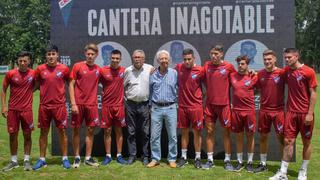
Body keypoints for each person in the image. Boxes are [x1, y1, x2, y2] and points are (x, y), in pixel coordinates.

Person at [269, 48, 317, 180]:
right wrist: (252, 72)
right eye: (285, 57)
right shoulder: (287, 72)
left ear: (297, 56)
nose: (287, 59)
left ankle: (303, 170)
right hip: (290, 113)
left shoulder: (309, 71)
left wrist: (310, 113)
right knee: (288, 141)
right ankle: (283, 173)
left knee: (306, 142)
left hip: (305, 114)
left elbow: (313, 93)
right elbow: (272, 71)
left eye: (289, 57)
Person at [32, 45, 71, 170]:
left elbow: (70, 82)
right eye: (48, 54)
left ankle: (64, 158)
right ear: (46, 56)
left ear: (57, 55)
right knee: (43, 132)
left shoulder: (64, 69)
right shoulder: (39, 69)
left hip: (59, 106)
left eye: (53, 54)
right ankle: (42, 159)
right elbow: (36, 85)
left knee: (62, 131)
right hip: (44, 106)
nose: (51, 56)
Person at [202, 45, 235, 170]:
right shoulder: (206, 65)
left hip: (224, 105)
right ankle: (210, 160)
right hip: (210, 105)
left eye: (216, 54)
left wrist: (252, 73)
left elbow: (238, 79)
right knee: (209, 132)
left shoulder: (229, 67)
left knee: (226, 133)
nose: (213, 56)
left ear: (222, 54)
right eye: (212, 53)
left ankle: (227, 160)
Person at [1, 51, 35, 171]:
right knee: (13, 136)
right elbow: (4, 89)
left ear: (29, 61)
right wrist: (4, 106)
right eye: (20, 61)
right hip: (13, 110)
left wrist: (30, 91)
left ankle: (26, 160)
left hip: (27, 110)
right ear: (17, 61)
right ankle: (14, 161)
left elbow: (39, 85)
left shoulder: (34, 74)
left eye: (25, 61)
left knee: (27, 136)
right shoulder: (10, 73)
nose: (22, 63)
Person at [69, 43, 100, 168]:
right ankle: (77, 157)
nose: (90, 56)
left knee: (90, 130)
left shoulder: (99, 69)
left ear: (96, 55)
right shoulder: (77, 66)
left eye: (93, 54)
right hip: (78, 104)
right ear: (85, 54)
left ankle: (88, 158)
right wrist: (73, 103)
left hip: (92, 105)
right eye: (88, 54)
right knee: (76, 130)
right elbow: (71, 85)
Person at [254, 49, 285, 173]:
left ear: (275, 59)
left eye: (269, 59)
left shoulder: (282, 73)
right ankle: (263, 164)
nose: (267, 61)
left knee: (281, 138)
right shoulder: (260, 74)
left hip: (278, 111)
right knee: (263, 137)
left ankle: (284, 166)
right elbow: (254, 89)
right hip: (264, 111)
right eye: (265, 59)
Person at [147, 50, 178, 168]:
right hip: (156, 108)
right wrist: (151, 106)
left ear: (169, 60)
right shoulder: (152, 74)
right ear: (158, 61)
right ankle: (155, 159)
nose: (164, 61)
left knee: (173, 136)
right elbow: (149, 91)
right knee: (154, 136)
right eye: (162, 59)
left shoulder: (174, 73)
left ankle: (172, 159)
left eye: (166, 59)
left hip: (171, 107)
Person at [175, 49, 204, 169]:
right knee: (184, 132)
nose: (187, 61)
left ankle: (197, 158)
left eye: (189, 59)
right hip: (182, 107)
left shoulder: (201, 70)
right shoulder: (178, 67)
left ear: (194, 59)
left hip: (196, 107)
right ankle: (184, 158)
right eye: (185, 59)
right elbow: (165, 70)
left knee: (197, 133)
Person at [124, 49, 153, 165]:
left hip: (144, 105)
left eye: (139, 57)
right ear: (132, 58)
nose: (137, 59)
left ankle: (145, 156)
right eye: (135, 57)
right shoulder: (128, 71)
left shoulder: (150, 69)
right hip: (130, 104)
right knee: (131, 132)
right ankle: (132, 155)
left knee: (145, 132)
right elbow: (123, 87)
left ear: (143, 59)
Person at [230, 55, 258, 172]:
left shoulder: (254, 76)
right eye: (239, 64)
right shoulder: (232, 76)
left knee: (250, 136)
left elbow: (262, 88)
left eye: (243, 64)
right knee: (239, 136)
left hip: (249, 111)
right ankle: (240, 161)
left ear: (247, 64)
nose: (240, 66)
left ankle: (250, 162)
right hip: (236, 111)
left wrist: (254, 73)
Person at [99, 49, 127, 165]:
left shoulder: (124, 71)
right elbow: (93, 82)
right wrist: (101, 91)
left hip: (119, 106)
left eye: (117, 59)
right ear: (109, 58)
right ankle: (108, 156)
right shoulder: (102, 71)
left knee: (119, 131)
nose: (115, 60)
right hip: (106, 106)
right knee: (107, 131)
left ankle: (119, 155)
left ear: (120, 59)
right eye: (113, 58)